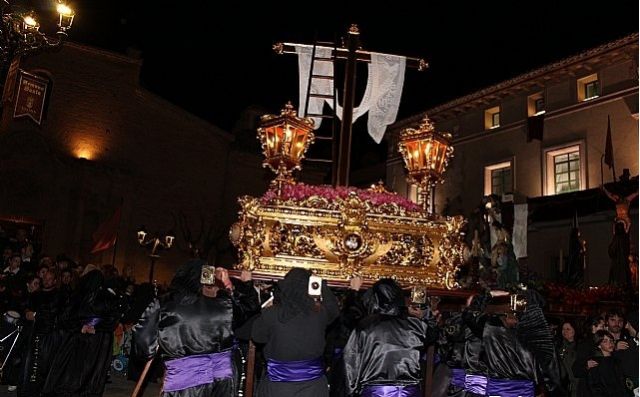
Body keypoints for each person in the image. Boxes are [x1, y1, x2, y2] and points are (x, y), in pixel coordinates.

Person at [134, 260, 259, 396]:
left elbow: (143, 342)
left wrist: (151, 350)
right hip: (221, 382)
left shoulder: (164, 303)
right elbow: (249, 307)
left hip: (184, 382)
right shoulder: (223, 304)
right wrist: (244, 285)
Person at [342, 278, 439, 397]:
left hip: (377, 391)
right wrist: (426, 314)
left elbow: (351, 360)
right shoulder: (415, 325)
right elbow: (433, 334)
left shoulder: (364, 326)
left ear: (375, 298)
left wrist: (352, 392)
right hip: (409, 390)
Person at [251, 267, 339, 397]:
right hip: (313, 387)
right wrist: (320, 282)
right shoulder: (319, 313)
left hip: (278, 388)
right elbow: (334, 308)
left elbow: (257, 337)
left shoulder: (272, 314)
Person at [42, 266, 127, 396]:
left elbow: (112, 319)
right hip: (85, 341)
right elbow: (66, 318)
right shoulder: (85, 298)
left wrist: (93, 327)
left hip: (92, 342)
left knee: (81, 374)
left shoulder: (92, 298)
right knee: (77, 375)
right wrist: (83, 326)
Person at [586, 330, 632, 396]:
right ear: (599, 345)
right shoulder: (594, 363)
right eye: (605, 341)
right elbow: (594, 388)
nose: (610, 343)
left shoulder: (617, 360)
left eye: (611, 340)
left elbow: (623, 382)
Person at [572, 315, 605, 397]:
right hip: (588, 388)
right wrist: (586, 366)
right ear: (593, 328)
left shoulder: (602, 341)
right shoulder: (586, 344)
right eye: (602, 326)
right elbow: (576, 369)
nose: (605, 329)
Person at [557, 321, 579, 397]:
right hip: (563, 386)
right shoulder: (558, 346)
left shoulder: (581, 346)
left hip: (578, 386)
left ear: (574, 331)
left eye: (568, 329)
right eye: (563, 329)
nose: (565, 331)